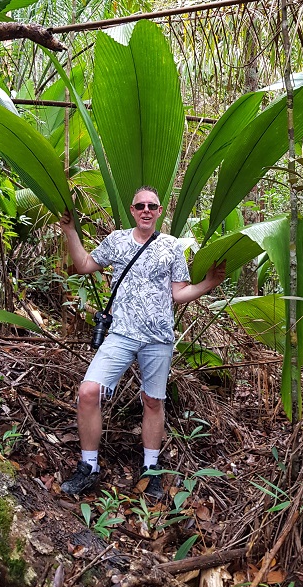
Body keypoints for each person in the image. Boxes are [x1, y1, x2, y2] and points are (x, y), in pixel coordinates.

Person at [58, 186, 226, 498]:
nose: (146, 210)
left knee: (153, 401)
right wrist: (70, 232)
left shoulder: (171, 246)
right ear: (132, 210)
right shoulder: (117, 240)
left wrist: (208, 283)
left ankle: (151, 471)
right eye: (140, 206)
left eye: (152, 206)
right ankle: (88, 466)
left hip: (158, 338)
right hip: (121, 334)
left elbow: (179, 293)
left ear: (160, 211)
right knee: (88, 392)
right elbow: (84, 264)